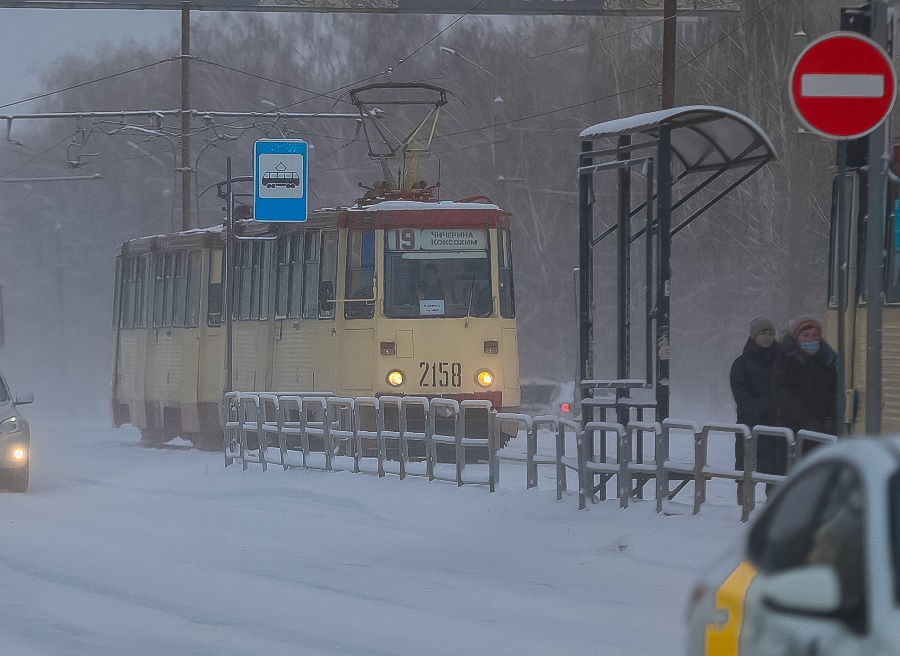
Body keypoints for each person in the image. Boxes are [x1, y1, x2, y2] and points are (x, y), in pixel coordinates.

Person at [730, 316, 782, 499]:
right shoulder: (741, 364)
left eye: (770, 333)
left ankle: (773, 510)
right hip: (750, 426)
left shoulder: (782, 361)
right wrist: (762, 407)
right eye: (763, 333)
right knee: (747, 472)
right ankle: (743, 511)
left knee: (776, 474)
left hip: (777, 427)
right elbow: (741, 395)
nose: (767, 337)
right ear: (754, 336)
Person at [772, 316, 838, 453]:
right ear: (797, 337)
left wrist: (831, 417)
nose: (811, 339)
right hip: (795, 429)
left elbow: (836, 390)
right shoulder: (785, 360)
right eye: (805, 335)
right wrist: (807, 419)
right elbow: (783, 393)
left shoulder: (828, 359)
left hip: (825, 430)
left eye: (815, 335)